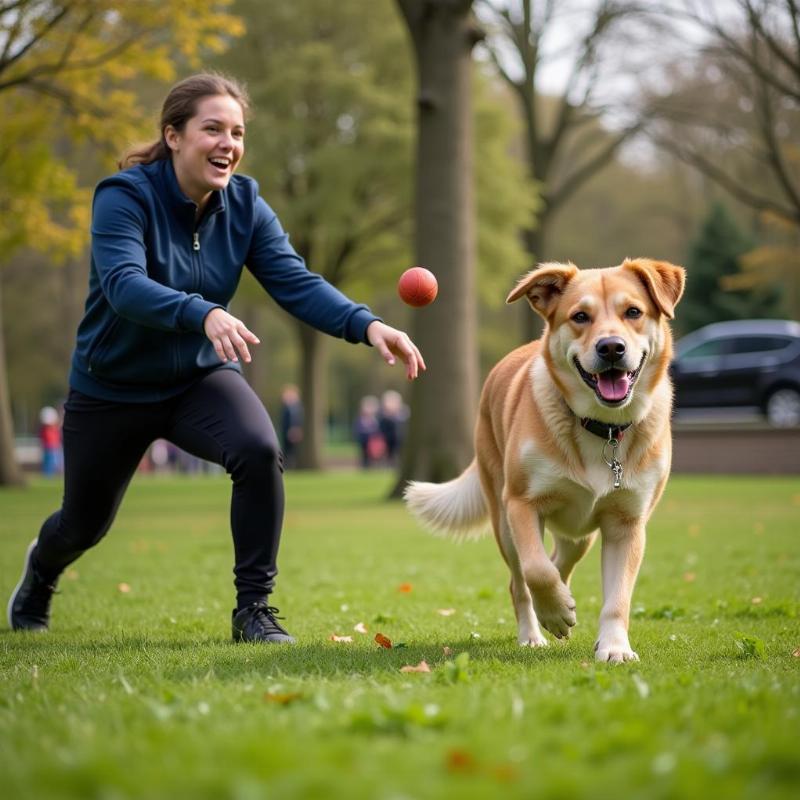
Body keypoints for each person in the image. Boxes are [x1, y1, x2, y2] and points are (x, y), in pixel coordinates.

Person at [7, 73, 424, 644]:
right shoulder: (123, 197)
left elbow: (294, 281)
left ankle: (253, 609)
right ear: (173, 135)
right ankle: (42, 571)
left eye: (237, 131)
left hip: (196, 380)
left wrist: (367, 324)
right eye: (213, 129)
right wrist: (200, 312)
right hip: (112, 388)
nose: (228, 142)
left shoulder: (246, 205)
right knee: (83, 524)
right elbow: (124, 284)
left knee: (257, 449)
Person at [279, 384, 304, 469]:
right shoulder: (287, 407)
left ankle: (290, 466)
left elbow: (295, 421)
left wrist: (294, 430)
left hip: (290, 432)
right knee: (286, 450)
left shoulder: (294, 408)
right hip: (285, 432)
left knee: (290, 451)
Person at [38, 406, 63, 477]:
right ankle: (48, 474)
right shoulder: (45, 429)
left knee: (53, 462)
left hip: (53, 447)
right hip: (49, 447)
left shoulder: (53, 429)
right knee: (48, 462)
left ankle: (50, 474)